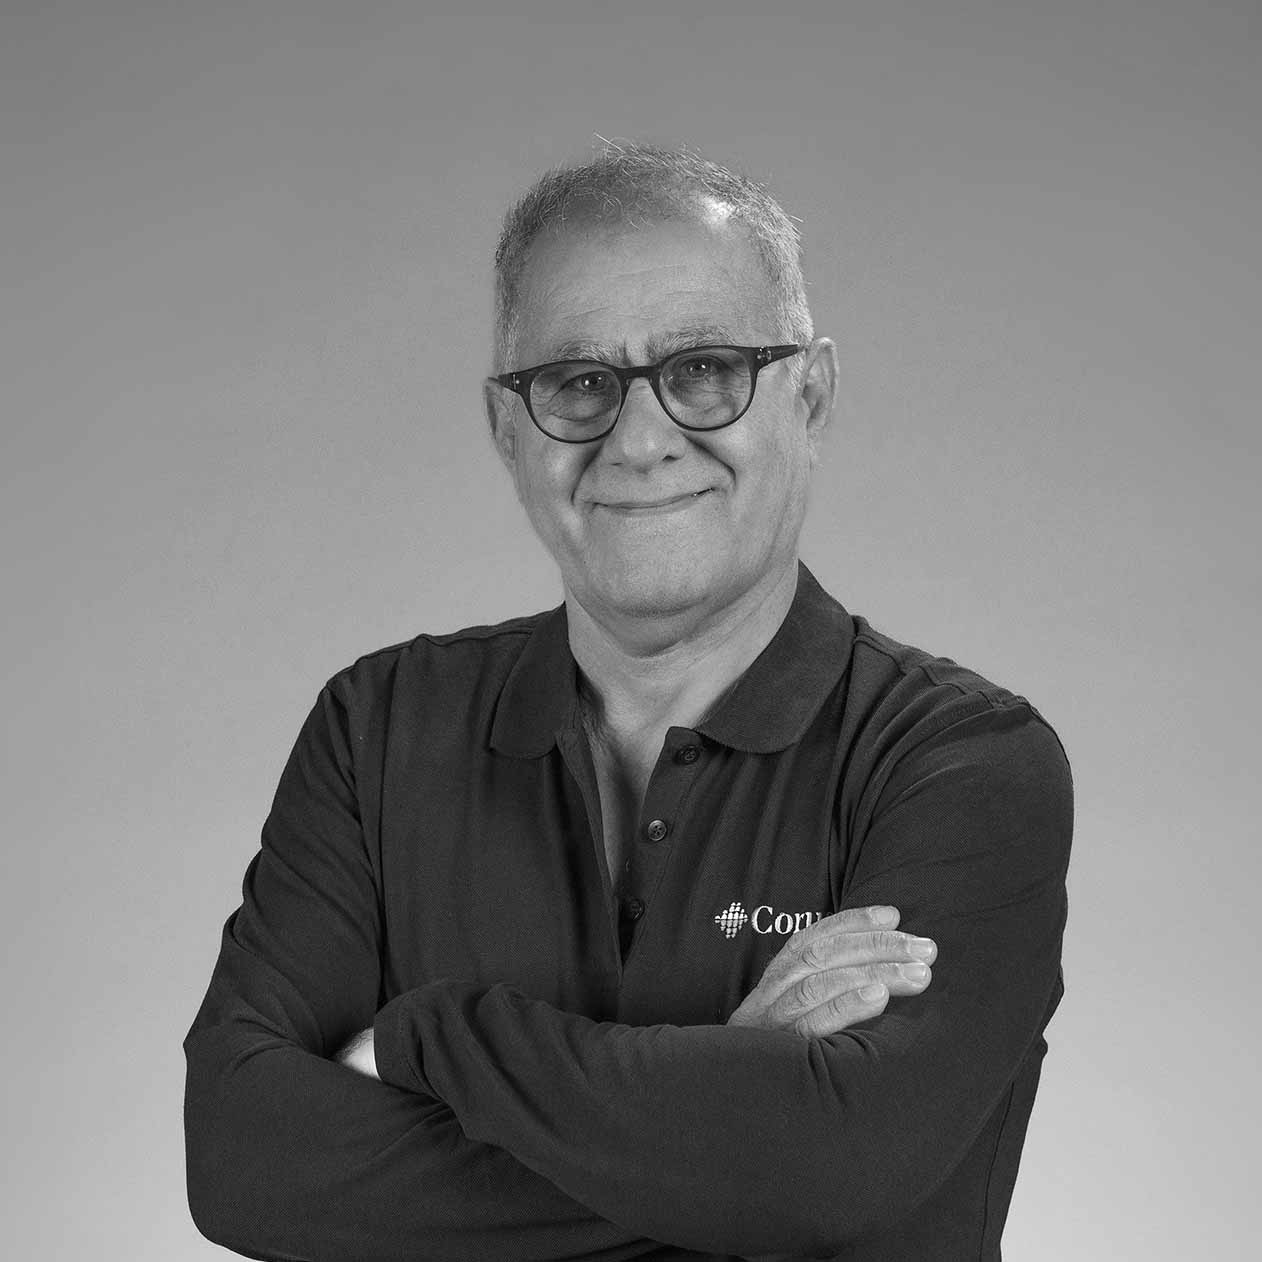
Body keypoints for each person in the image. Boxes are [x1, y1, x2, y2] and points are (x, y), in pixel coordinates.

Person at [184, 143, 1072, 1261]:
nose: (641, 439)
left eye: (705, 369)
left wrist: (427, 1039)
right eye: (578, 382)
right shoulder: (380, 728)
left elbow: (830, 1167)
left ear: (811, 394)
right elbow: (243, 1161)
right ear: (507, 427)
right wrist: (726, 1132)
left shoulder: (961, 763)